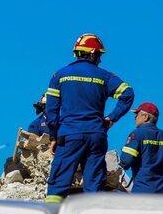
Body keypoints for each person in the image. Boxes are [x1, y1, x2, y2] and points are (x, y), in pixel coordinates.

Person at [44, 33, 134, 203]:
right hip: (95, 135)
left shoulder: (60, 76)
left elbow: (51, 109)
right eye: (99, 56)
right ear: (92, 53)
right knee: (94, 186)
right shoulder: (104, 76)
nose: (100, 60)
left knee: (58, 184)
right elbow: (128, 93)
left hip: (69, 135)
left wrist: (53, 136)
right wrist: (111, 119)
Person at [119, 102, 163, 193]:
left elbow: (126, 162)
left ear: (145, 117)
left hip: (143, 191)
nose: (135, 118)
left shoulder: (137, 134)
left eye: (137, 114)